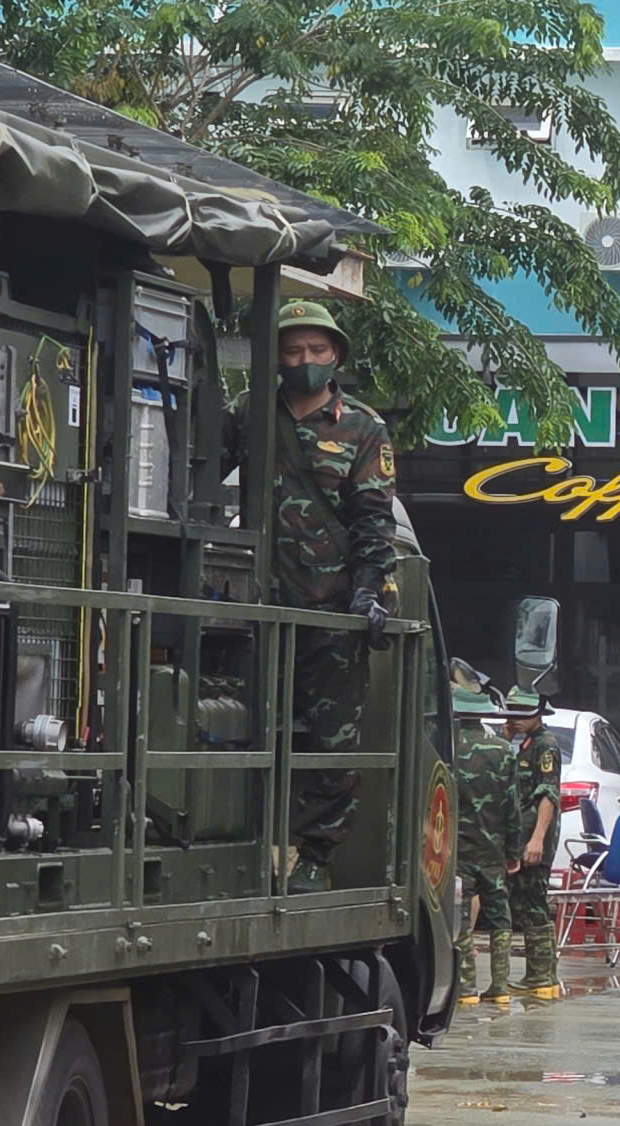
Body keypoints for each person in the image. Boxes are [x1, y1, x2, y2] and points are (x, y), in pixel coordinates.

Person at [254, 299, 399, 895]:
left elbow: (373, 520)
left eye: (316, 350)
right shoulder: (253, 414)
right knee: (248, 727)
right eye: (292, 351)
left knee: (331, 740)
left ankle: (314, 857)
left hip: (332, 609)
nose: (305, 361)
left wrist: (369, 593)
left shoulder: (363, 427)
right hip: (257, 605)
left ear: (335, 354)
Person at [449, 686, 521, 1002]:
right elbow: (512, 806)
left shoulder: (446, 748)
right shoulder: (503, 750)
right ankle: (501, 986)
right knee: (499, 916)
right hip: (494, 849)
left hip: (456, 849)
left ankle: (465, 987)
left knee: (461, 916)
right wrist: (514, 851)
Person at [499, 688, 562, 996]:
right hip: (520, 836)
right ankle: (542, 975)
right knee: (525, 903)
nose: (516, 718)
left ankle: (541, 976)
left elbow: (548, 795)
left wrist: (537, 839)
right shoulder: (522, 743)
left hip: (533, 839)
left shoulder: (545, 746)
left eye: (523, 713)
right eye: (512, 712)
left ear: (538, 713)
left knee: (533, 903)